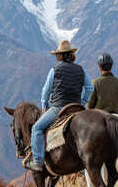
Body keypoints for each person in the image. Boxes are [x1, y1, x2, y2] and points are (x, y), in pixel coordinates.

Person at [25, 39, 93, 171]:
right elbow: (90, 88)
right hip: (76, 107)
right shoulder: (80, 70)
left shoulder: (55, 70)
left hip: (58, 107)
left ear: (60, 55)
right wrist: (82, 102)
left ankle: (38, 161)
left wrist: (44, 106)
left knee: (37, 129)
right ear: (71, 54)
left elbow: (46, 90)